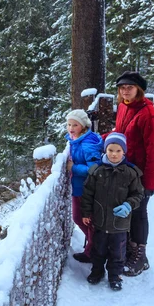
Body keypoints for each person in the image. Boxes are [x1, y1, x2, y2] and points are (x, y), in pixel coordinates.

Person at [108, 71, 154, 276]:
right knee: (128, 211)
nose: (125, 90)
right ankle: (130, 250)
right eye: (122, 87)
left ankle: (140, 257)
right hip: (125, 170)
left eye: (129, 87)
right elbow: (120, 133)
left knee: (139, 212)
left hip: (140, 173)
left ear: (139, 90)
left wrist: (149, 184)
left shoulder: (148, 114)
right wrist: (102, 139)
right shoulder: (124, 106)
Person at [81, 133, 144, 291]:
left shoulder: (131, 173)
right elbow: (87, 194)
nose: (114, 154)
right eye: (110, 150)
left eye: (118, 150)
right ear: (105, 150)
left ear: (124, 152)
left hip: (120, 224)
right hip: (100, 222)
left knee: (118, 252)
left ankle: (115, 276)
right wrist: (86, 213)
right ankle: (97, 271)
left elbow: (138, 194)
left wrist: (129, 205)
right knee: (98, 249)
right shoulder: (97, 172)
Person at [65, 109, 103, 263]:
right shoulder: (76, 139)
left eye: (75, 124)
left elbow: (94, 169)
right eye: (69, 124)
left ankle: (93, 251)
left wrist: (73, 168)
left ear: (83, 126)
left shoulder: (87, 143)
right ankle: (95, 247)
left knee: (85, 220)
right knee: (79, 218)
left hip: (86, 190)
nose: (71, 128)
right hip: (79, 188)